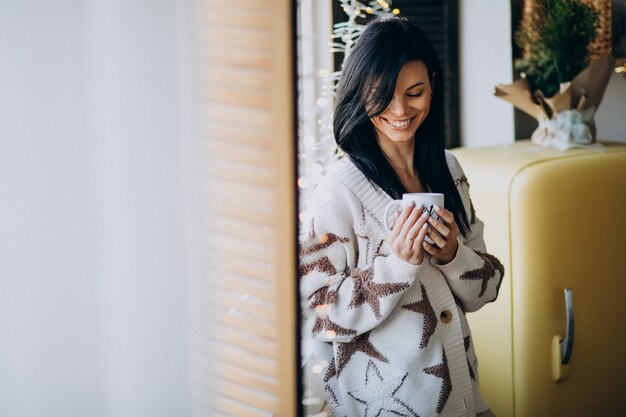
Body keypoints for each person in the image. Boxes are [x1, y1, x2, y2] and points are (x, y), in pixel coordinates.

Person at [300, 17, 503, 417]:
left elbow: (486, 290)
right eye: (383, 96)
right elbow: (315, 314)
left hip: (465, 401)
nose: (400, 110)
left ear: (432, 86)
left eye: (415, 93)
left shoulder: (448, 170)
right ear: (360, 93)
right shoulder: (339, 190)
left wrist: (452, 255)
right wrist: (395, 266)